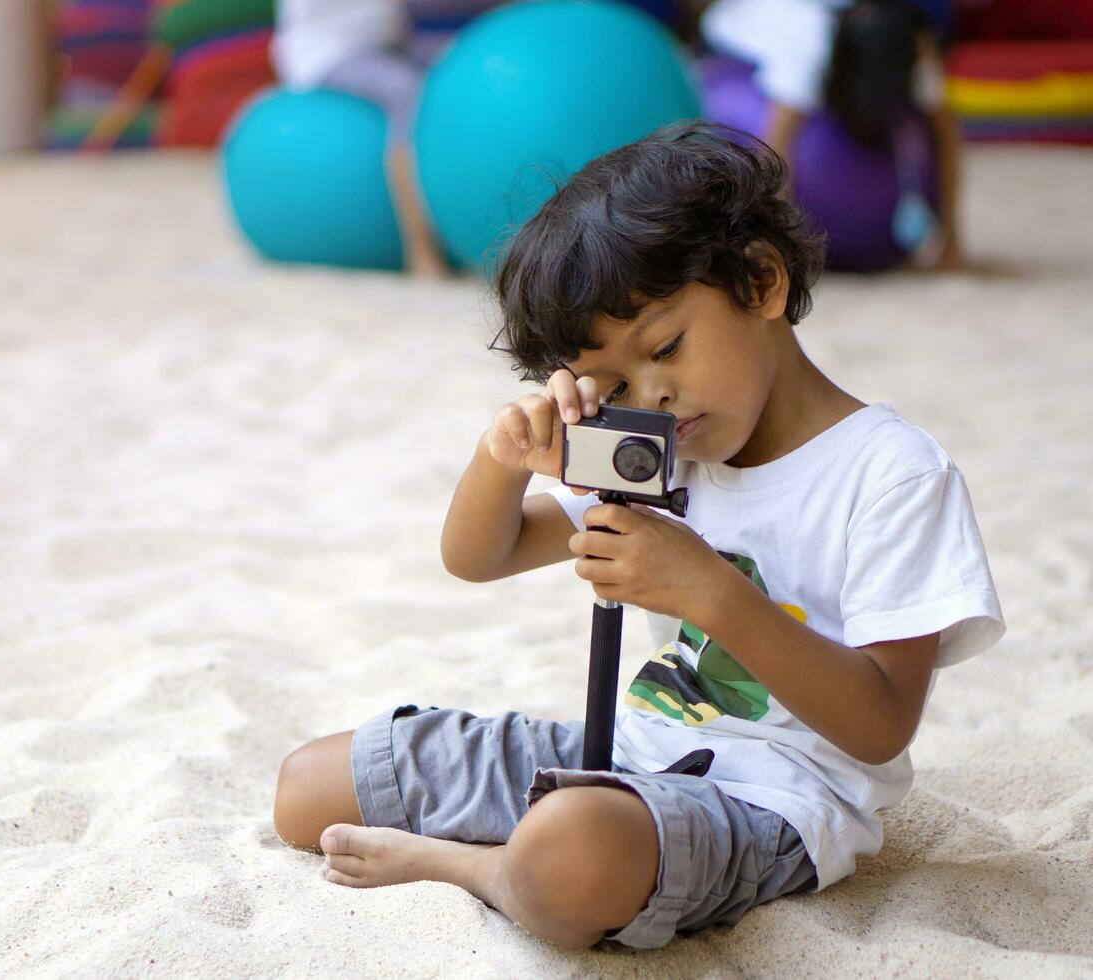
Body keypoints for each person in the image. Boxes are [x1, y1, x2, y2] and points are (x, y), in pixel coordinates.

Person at [271, 124, 1004, 949]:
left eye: (666, 348)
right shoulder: (663, 452)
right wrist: (504, 456)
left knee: (571, 854)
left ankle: (467, 867)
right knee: (309, 787)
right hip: (625, 752)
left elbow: (879, 728)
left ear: (761, 281)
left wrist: (711, 592)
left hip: (771, 803)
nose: (652, 395)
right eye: (613, 381)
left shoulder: (893, 475)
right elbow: (480, 556)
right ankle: (517, 854)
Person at [699, 0, 966, 269]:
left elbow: (946, 137)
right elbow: (774, 149)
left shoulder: (912, 42)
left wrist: (951, 240)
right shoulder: (810, 44)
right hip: (732, 43)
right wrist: (778, 249)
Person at [271, 0, 504, 279]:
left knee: (460, 64)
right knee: (405, 91)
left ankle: (472, 228)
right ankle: (420, 249)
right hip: (328, 50)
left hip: (389, 42)